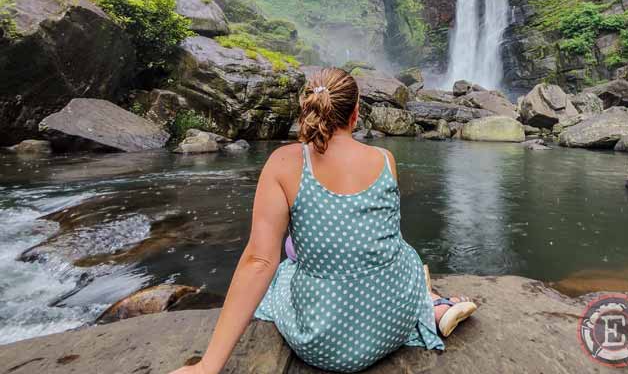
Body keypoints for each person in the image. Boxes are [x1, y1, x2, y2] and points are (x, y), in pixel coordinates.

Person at [170, 67, 476, 374]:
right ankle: (430, 303)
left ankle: (429, 300)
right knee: (402, 253)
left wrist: (208, 365)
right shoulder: (385, 159)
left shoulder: (283, 163)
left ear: (306, 108)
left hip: (325, 343)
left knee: (283, 270)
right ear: (356, 114)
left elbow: (259, 262)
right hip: (392, 323)